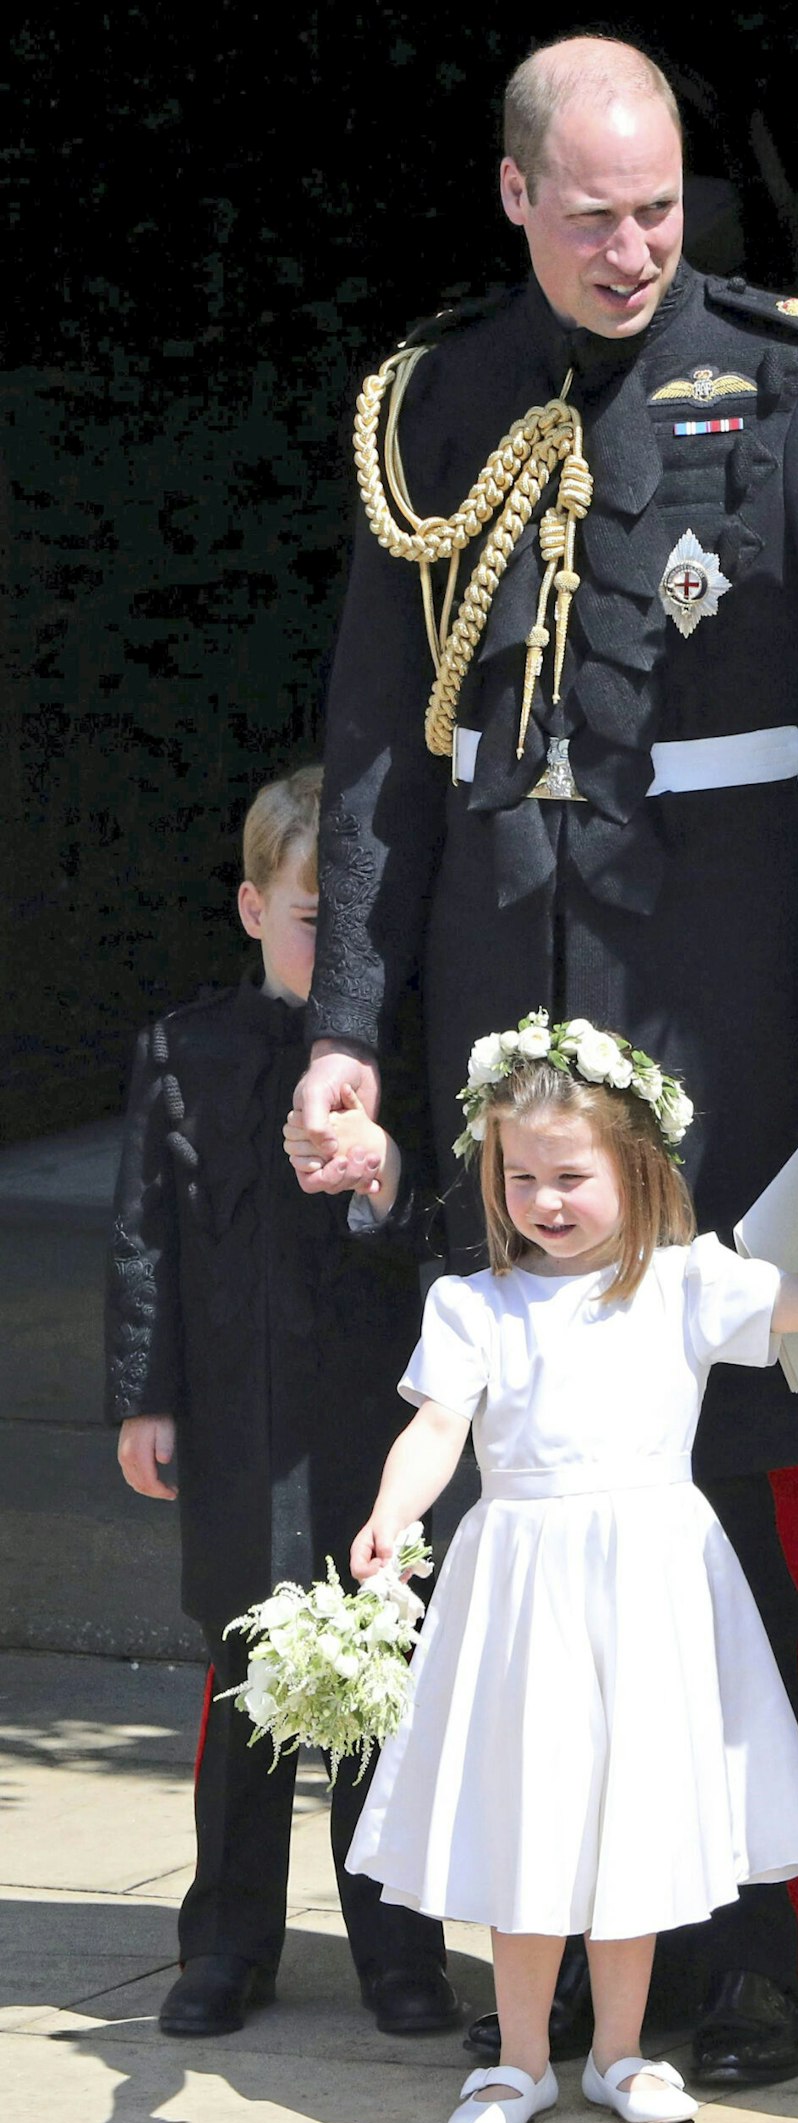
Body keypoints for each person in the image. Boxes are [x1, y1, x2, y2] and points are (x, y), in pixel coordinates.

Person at [292, 32, 798, 2080]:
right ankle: (518, 1938)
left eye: (660, 208)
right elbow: (387, 751)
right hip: (510, 991)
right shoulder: (440, 404)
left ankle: (762, 1936)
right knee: (516, 1473)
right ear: (513, 197)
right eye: (594, 214)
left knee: (739, 1475)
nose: (635, 246)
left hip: (731, 999)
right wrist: (348, 1043)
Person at [338, 1016, 798, 2123]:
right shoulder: (476, 1305)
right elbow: (437, 1426)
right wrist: (390, 1513)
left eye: (571, 1175)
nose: (544, 1199)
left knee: (632, 1818)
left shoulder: (684, 1285)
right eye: (521, 1177)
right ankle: (516, 2060)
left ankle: (619, 2049)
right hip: (524, 1594)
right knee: (532, 1815)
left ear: (635, 1170)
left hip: (649, 1588)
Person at [105, 767, 454, 2039]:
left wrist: (381, 1178)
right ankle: (228, 1942)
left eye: (354, 929)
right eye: (313, 920)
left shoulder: (397, 1058)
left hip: (366, 1410)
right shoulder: (186, 1048)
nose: (332, 950)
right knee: (246, 1678)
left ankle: (399, 1948)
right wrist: (148, 1398)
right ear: (255, 910)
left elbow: (433, 1234)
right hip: (241, 1414)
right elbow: (146, 1237)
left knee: (376, 1677)